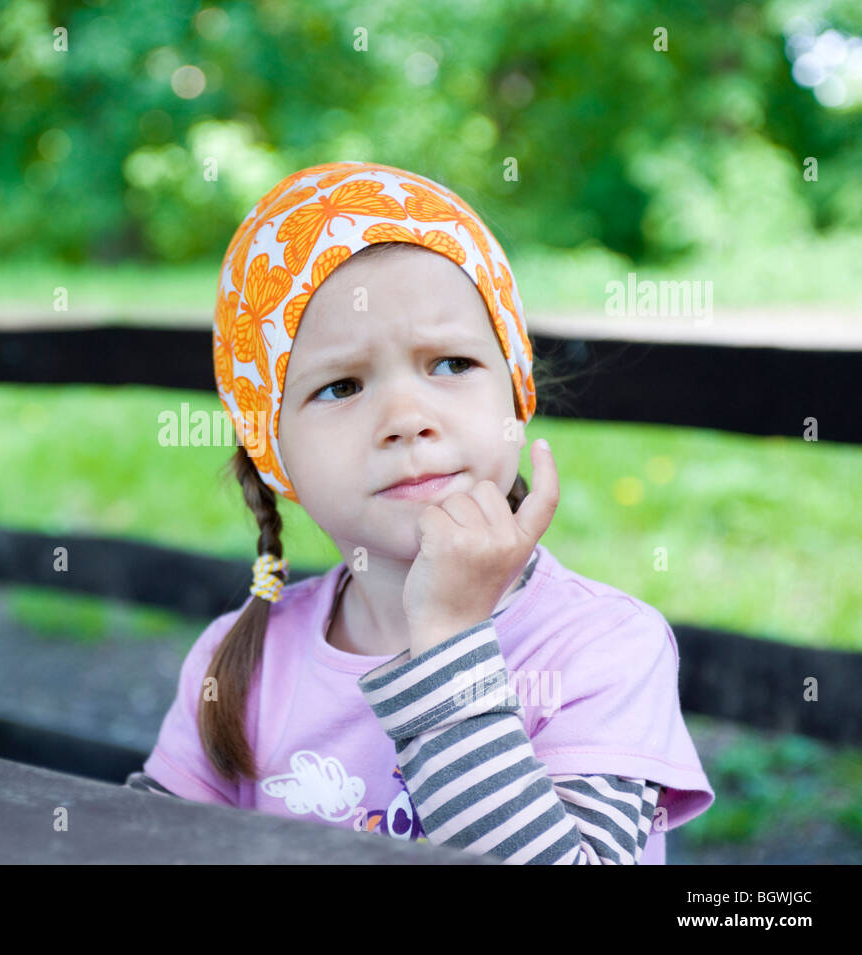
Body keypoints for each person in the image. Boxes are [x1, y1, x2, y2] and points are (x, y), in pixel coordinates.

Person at [120, 160, 714, 864]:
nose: (406, 417)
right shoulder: (239, 663)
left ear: (516, 391)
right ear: (273, 453)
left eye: (450, 364)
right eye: (341, 386)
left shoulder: (604, 646)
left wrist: (450, 637)